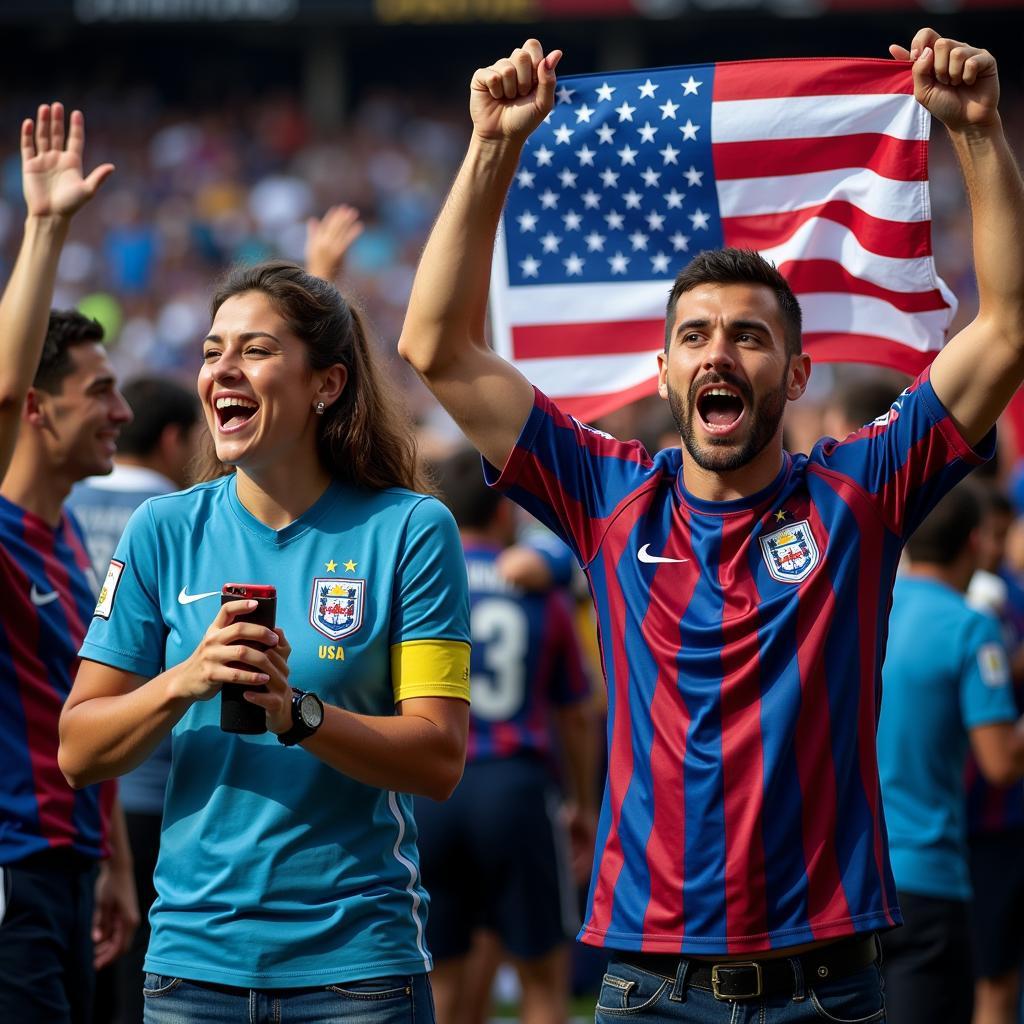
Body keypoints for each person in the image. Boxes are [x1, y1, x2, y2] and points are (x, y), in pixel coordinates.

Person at [397, 27, 1024, 1022]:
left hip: (830, 985)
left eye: (749, 334)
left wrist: (979, 133)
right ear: (664, 374)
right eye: (693, 334)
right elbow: (432, 342)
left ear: (799, 373)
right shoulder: (608, 495)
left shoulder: (857, 493)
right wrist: (489, 149)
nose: (718, 351)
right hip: (651, 987)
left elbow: (1005, 331)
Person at [58, 259, 471, 1023]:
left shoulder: (411, 531)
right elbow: (79, 750)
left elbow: (440, 759)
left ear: (328, 384)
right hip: (191, 973)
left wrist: (298, 715)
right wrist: (182, 680)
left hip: (358, 975)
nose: (223, 371)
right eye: (214, 351)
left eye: (255, 349)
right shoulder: (164, 530)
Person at [0, 104, 140, 1024]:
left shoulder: (70, 541)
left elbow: (83, 717)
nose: (120, 411)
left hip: (72, 870)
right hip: (11, 869)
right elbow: (1, 389)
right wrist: (47, 226)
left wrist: (116, 866)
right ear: (40, 414)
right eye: (100, 392)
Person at [416, 447, 598, 1024]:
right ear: (503, 514)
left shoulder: (423, 581)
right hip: (516, 787)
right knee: (542, 979)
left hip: (431, 789)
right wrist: (583, 804)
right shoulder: (538, 584)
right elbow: (576, 710)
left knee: (439, 979)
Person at [65, 376, 200, 1024]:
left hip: (67, 778)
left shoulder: (64, 500)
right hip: (164, 782)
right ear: (175, 440)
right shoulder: (181, 517)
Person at [877, 483, 1024, 1024]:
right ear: (974, 542)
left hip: (851, 882)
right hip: (929, 887)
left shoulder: (869, 609)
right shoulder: (971, 627)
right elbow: (1001, 761)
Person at [964, 487, 1024, 1024]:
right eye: (995, 536)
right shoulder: (966, 615)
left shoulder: (1009, 595)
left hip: (1001, 823)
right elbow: (1001, 758)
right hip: (964, 823)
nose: (1001, 547)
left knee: (997, 976)